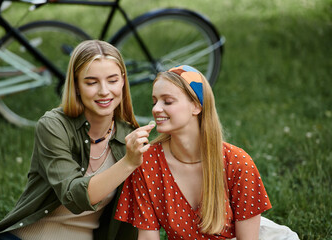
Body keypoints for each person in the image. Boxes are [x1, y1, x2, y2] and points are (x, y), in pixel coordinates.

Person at [0, 40, 155, 240]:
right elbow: (73, 196)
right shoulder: (53, 126)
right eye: (91, 82)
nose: (104, 91)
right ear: (76, 85)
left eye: (112, 80)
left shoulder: (130, 137)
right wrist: (127, 163)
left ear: (123, 81)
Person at [115, 65, 299, 239]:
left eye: (167, 101)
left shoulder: (237, 162)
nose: (156, 109)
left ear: (197, 106)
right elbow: (148, 237)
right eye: (155, 101)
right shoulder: (146, 162)